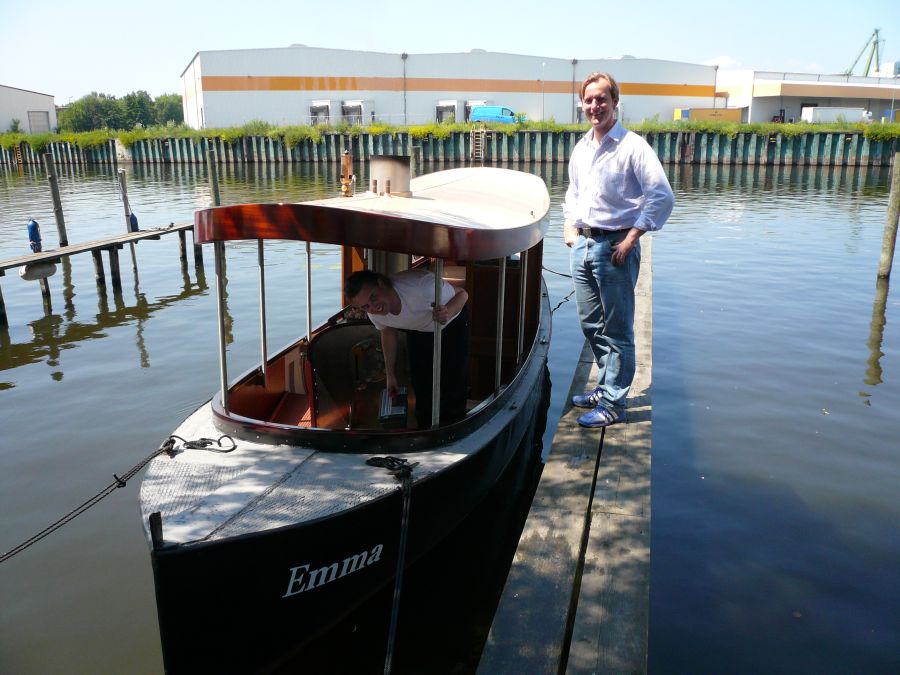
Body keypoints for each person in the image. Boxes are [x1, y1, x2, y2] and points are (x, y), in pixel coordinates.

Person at [563, 72, 674, 428]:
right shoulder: (582, 147)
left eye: (602, 99)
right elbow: (573, 192)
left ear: (615, 103)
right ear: (582, 103)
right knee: (591, 323)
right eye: (589, 100)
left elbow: (661, 196)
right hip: (583, 245)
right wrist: (570, 226)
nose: (594, 106)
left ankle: (613, 404)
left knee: (619, 331)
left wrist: (631, 238)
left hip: (615, 248)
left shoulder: (632, 146)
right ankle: (604, 386)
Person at [346, 268, 469, 428]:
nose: (373, 307)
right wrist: (390, 376)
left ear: (382, 283)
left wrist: (448, 312)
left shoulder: (424, 288)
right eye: (365, 306)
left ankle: (455, 427)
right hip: (419, 329)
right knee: (421, 382)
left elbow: (462, 294)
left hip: (451, 325)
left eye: (373, 297)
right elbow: (388, 333)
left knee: (453, 380)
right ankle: (425, 431)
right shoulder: (374, 313)